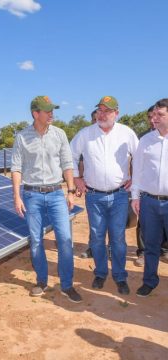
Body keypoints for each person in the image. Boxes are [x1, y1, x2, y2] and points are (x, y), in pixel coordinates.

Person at [11, 95, 82, 303]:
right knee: (36, 241)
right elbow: (15, 168)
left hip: (56, 194)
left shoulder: (59, 134)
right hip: (31, 195)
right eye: (47, 110)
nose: (52, 113)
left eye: (52, 110)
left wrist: (70, 191)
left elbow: (67, 164)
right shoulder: (22, 137)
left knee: (65, 240)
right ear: (36, 113)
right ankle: (41, 280)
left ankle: (67, 285)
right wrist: (16, 196)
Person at [70, 96, 138, 295]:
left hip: (119, 196)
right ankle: (100, 273)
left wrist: (135, 178)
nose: (102, 114)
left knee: (118, 238)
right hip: (94, 196)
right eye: (99, 110)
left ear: (116, 113)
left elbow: (140, 157)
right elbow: (70, 156)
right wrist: (77, 178)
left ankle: (120, 276)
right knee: (97, 238)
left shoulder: (127, 133)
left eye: (106, 111)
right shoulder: (85, 134)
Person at [131, 98, 168, 297]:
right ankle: (149, 281)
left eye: (160, 115)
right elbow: (137, 171)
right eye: (153, 115)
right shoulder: (146, 140)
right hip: (149, 202)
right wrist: (135, 197)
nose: (154, 119)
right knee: (151, 246)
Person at [79, 109, 110, 260]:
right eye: (94, 118)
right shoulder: (86, 136)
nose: (96, 120)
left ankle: (109, 248)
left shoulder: (114, 135)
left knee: (113, 224)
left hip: (114, 190)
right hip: (92, 190)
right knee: (95, 223)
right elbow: (80, 161)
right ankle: (93, 248)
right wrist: (79, 180)